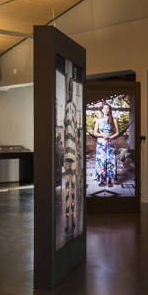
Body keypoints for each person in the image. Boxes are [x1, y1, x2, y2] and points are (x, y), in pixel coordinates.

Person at [63, 78, 80, 238]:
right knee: (69, 185)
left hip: (71, 151)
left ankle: (71, 216)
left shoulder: (71, 107)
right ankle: (70, 216)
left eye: (70, 89)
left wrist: (70, 152)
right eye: (68, 89)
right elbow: (69, 130)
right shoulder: (70, 106)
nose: (69, 92)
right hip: (70, 151)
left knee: (70, 185)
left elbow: (71, 130)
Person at [93, 103, 119, 188]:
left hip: (110, 142)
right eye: (104, 108)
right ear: (102, 110)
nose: (106, 110)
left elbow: (117, 132)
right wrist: (102, 136)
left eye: (108, 109)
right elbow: (95, 133)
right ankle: (102, 180)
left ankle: (110, 180)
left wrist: (110, 137)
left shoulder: (113, 120)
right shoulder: (98, 120)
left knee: (111, 161)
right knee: (101, 161)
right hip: (101, 143)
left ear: (109, 110)